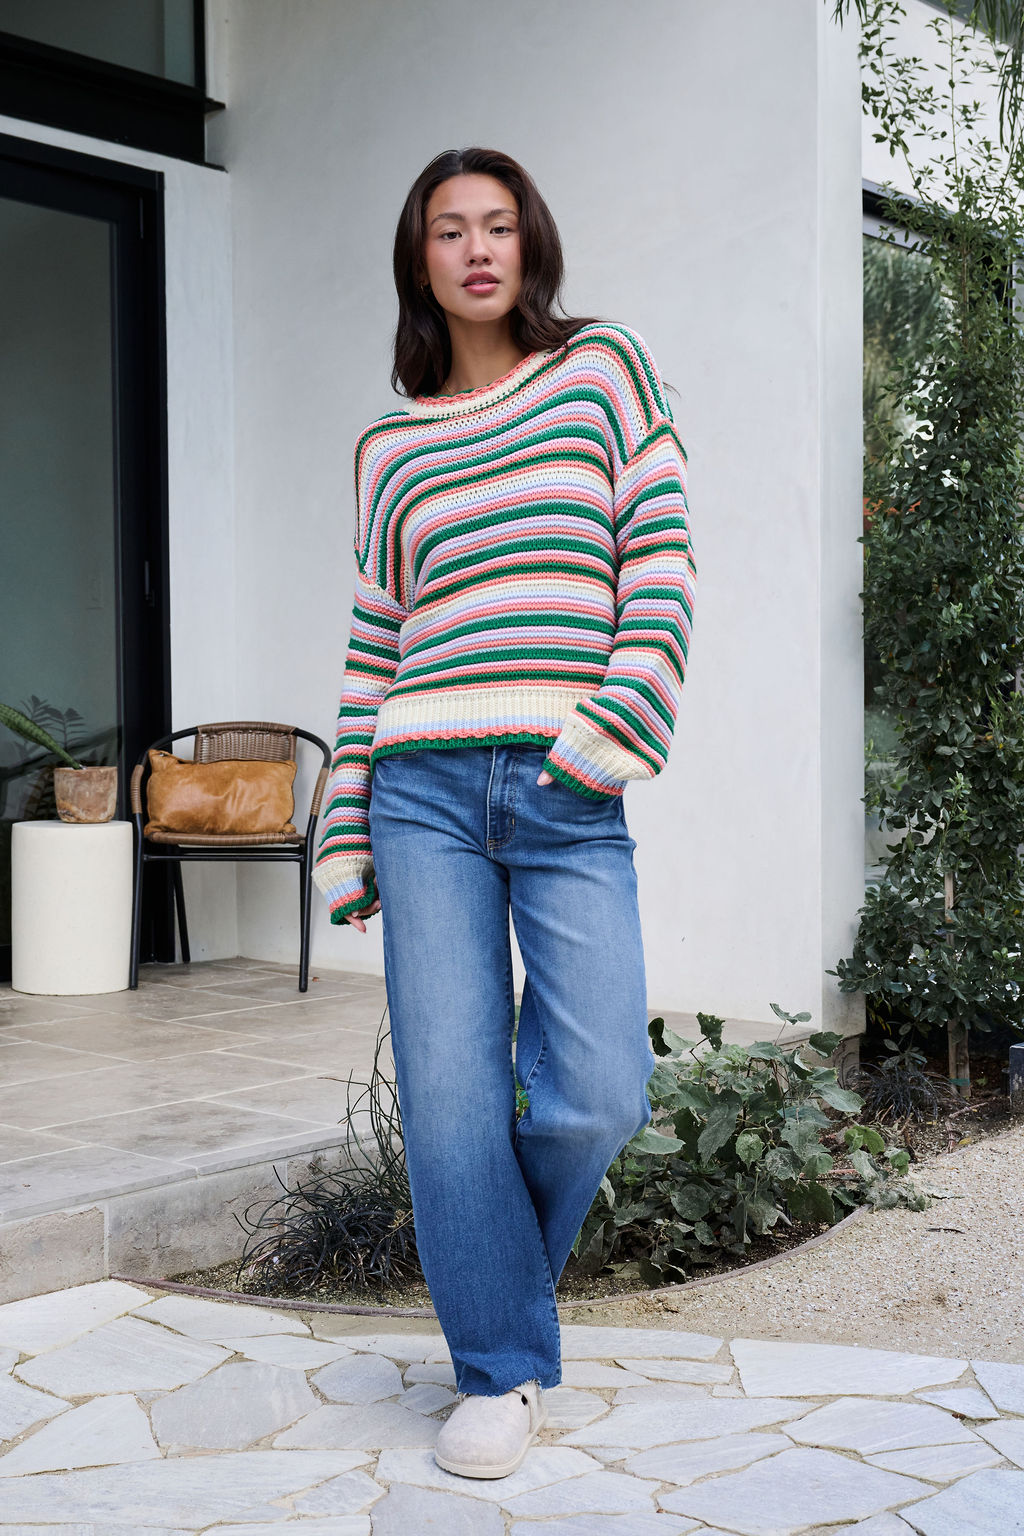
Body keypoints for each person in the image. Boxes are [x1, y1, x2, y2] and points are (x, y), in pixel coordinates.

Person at [313, 145, 696, 1481]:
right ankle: (499, 1367)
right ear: (418, 262)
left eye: (499, 225)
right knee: (452, 1091)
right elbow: (374, 646)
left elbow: (659, 552)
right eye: (447, 232)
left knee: (598, 1091)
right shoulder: (388, 444)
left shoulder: (605, 370)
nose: (478, 249)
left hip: (563, 777)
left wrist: (615, 728)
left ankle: (496, 1291)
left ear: (531, 242)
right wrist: (349, 820)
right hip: (418, 786)